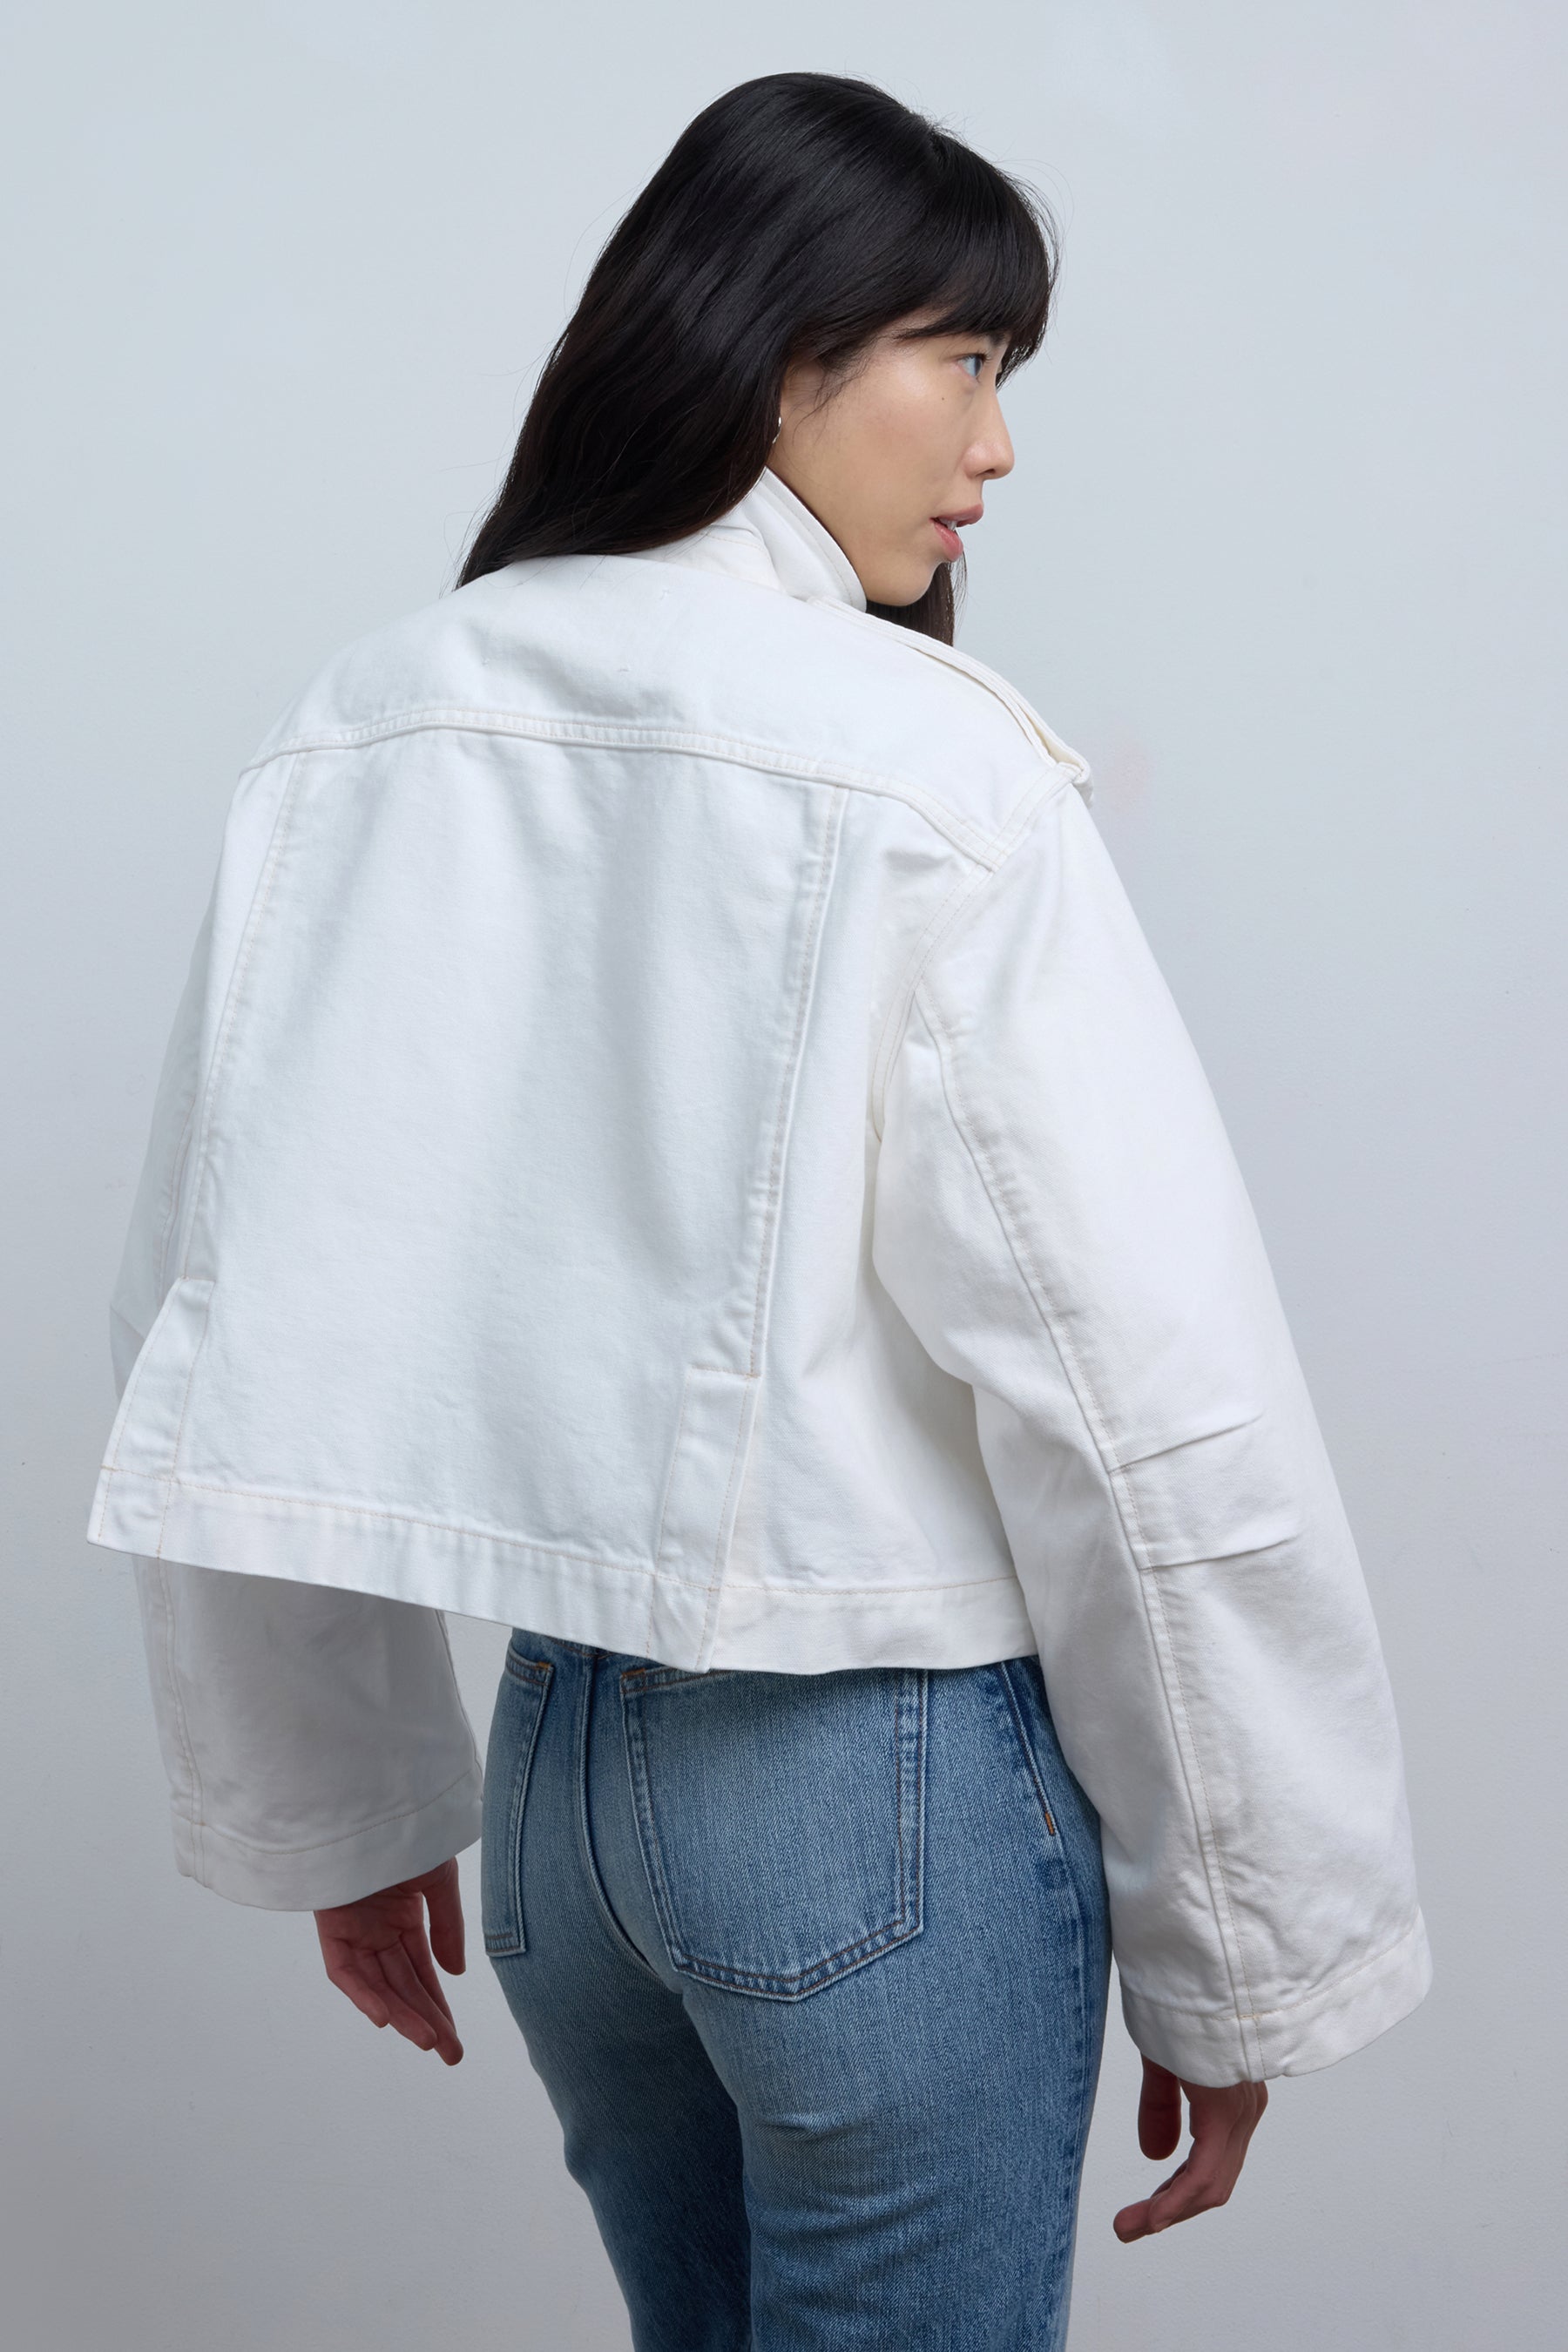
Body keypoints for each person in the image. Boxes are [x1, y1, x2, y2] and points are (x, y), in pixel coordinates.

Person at [91, 71, 1429, 2352]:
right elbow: (1140, 1401)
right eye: (965, 359)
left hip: (563, 1798)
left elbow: (222, 1317)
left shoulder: (364, 725)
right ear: (782, 346)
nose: (997, 445)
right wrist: (1249, 1942)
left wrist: (340, 1807)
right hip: (869, 1792)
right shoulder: (928, 760)